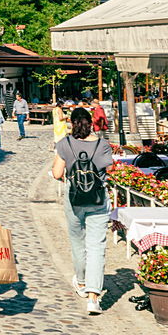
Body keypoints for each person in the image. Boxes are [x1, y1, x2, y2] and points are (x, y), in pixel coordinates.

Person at [52, 106, 114, 315]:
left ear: (72, 124)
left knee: (78, 242)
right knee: (96, 246)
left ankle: (80, 281)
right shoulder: (102, 145)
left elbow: (56, 172)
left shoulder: (64, 144)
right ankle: (93, 297)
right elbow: (110, 170)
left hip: (74, 198)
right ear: (91, 123)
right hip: (97, 198)